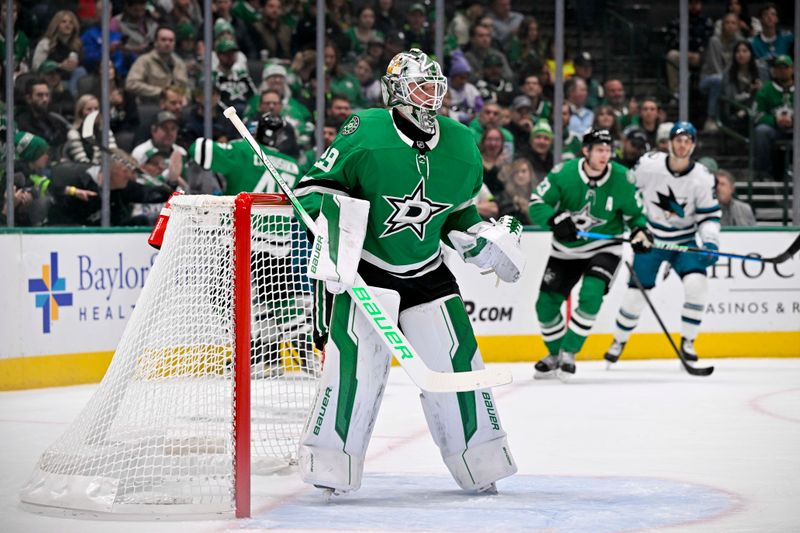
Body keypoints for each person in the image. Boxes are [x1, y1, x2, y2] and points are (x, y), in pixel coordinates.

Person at [294, 48, 521, 497]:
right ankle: (330, 464)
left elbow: (457, 213)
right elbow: (313, 189)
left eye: (436, 86)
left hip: (428, 272)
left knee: (459, 360)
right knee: (354, 369)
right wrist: (334, 231)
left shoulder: (459, 142)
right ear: (396, 92)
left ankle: (480, 460)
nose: (432, 95)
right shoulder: (367, 130)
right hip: (367, 270)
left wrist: (481, 239)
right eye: (421, 86)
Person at [528, 129, 652, 381]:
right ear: (586, 151)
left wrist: (640, 231)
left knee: (591, 295)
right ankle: (555, 354)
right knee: (545, 306)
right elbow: (536, 203)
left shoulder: (622, 179)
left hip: (604, 248)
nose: (605, 155)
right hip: (566, 249)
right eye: (599, 150)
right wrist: (554, 219)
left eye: (608, 150)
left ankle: (569, 352)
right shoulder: (564, 173)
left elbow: (636, 216)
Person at [605, 122, 721, 365]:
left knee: (697, 285)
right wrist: (634, 226)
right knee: (635, 296)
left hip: (684, 242)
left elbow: (709, 216)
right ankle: (619, 340)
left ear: (693, 144)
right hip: (652, 240)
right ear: (669, 143)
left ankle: (688, 342)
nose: (682, 144)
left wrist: (709, 241)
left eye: (687, 140)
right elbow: (628, 192)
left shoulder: (702, 177)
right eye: (678, 139)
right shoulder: (649, 164)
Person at [189, 112, 301, 194]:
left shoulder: (243, 151)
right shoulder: (294, 167)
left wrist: (235, 146)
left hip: (241, 224)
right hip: (280, 226)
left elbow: (198, 148)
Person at [753, 54, 794, 178]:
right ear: (774, 71)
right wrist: (775, 120)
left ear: (792, 69)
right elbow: (756, 115)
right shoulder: (766, 89)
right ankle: (764, 172)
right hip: (774, 130)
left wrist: (794, 121)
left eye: (785, 68)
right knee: (761, 131)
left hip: (795, 130)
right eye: (778, 68)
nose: (782, 71)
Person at [125, 25, 188, 104]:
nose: (167, 43)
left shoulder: (180, 64)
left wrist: (185, 97)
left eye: (171, 40)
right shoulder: (144, 61)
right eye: (163, 40)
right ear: (155, 42)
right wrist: (161, 92)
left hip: (175, 107)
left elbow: (185, 88)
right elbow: (131, 84)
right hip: (149, 106)